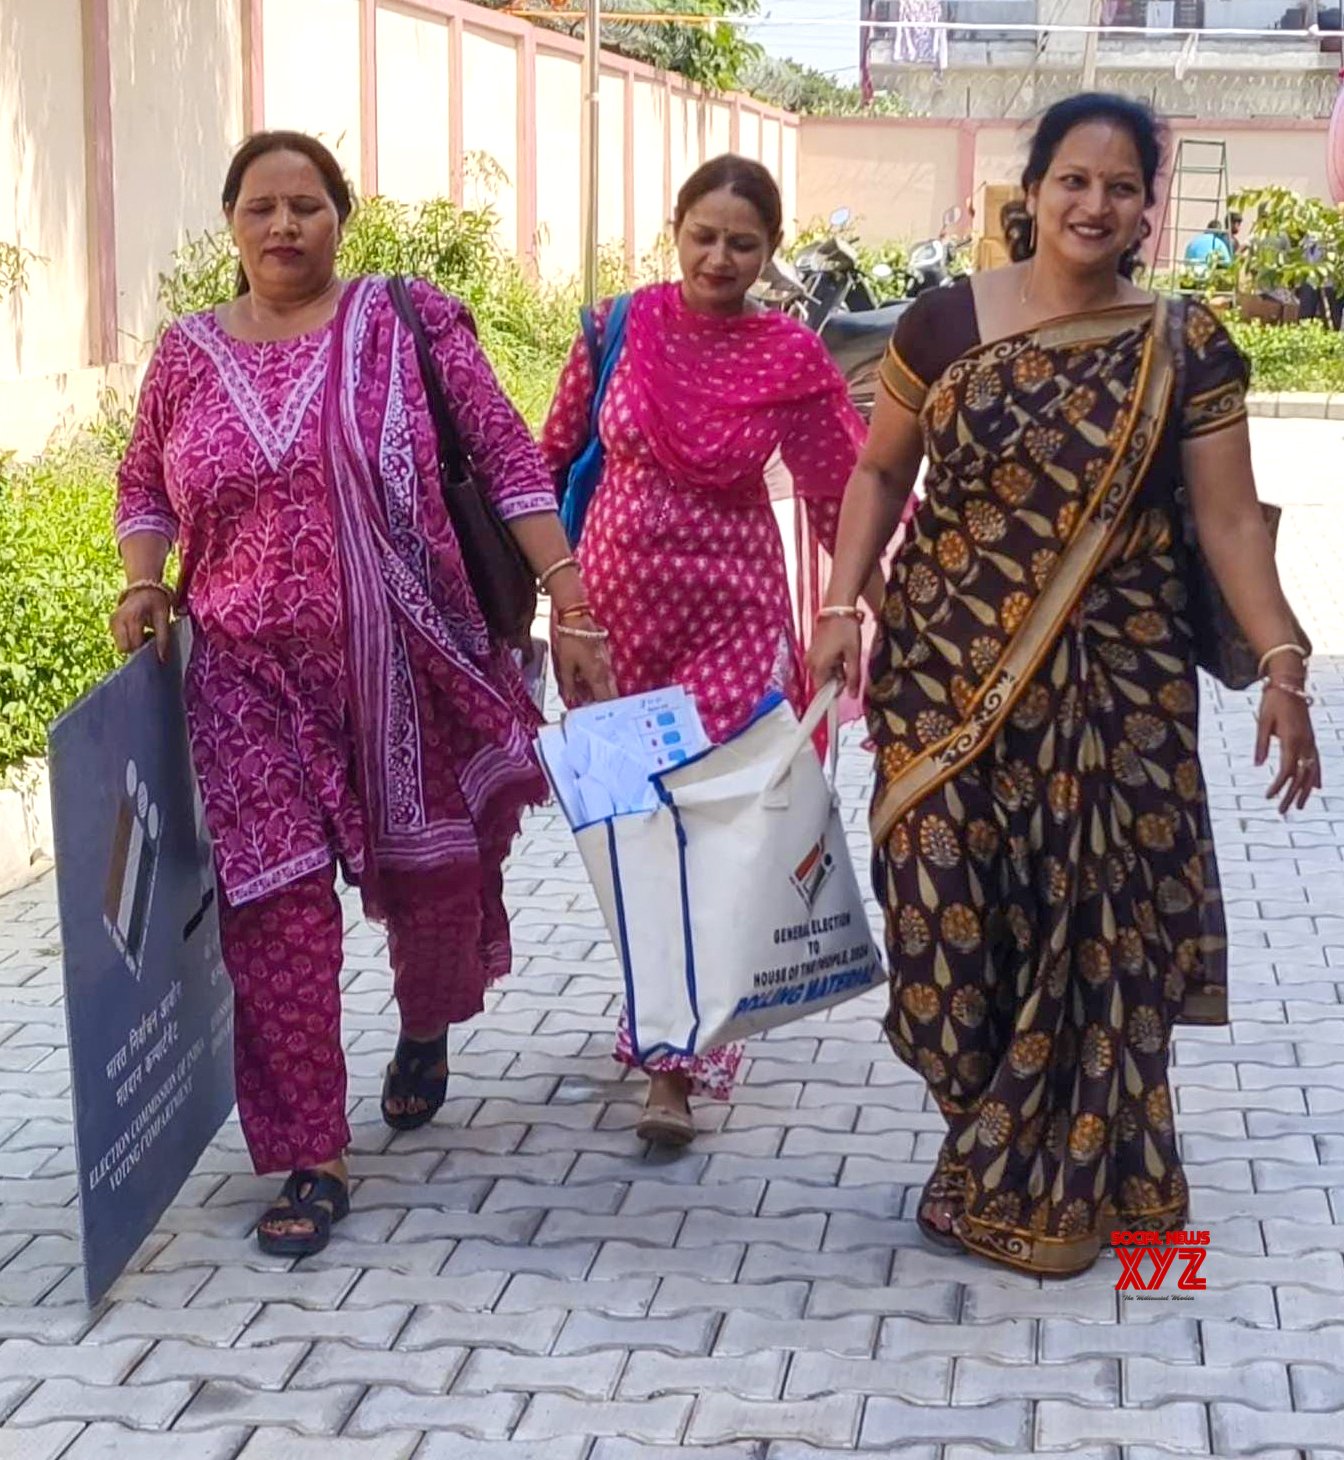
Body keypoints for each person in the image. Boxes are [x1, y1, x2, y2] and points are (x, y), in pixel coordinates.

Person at [808, 93, 1320, 1277]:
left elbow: (1231, 519)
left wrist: (1284, 663)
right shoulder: (941, 326)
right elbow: (880, 475)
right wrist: (841, 603)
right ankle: (992, 1125)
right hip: (944, 670)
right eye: (1073, 180)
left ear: (1149, 206)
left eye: (1122, 185)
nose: (1095, 203)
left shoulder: (1184, 343)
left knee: (1092, 929)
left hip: (1118, 686)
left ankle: (1045, 1172)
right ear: (1029, 191)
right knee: (940, 906)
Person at [110, 131, 614, 1257]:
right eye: (260, 207)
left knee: (431, 883)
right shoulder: (186, 355)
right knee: (276, 906)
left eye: (306, 205)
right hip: (243, 677)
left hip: (407, 659)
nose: (283, 226)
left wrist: (569, 598)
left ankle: (425, 1024)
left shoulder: (406, 320)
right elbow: (144, 481)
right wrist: (144, 583)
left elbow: (507, 453)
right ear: (229, 223)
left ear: (343, 216)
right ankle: (310, 1149)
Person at [539, 155, 868, 1145]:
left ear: (770, 254)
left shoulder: (787, 355)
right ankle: (664, 1002)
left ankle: (673, 1062)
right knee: (630, 828)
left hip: (729, 616)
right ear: (673, 228)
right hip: (609, 621)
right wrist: (552, 600)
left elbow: (840, 490)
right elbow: (549, 457)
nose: (720, 257)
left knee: (714, 823)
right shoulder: (615, 327)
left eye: (744, 243)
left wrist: (854, 611)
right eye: (705, 235)